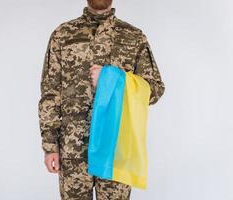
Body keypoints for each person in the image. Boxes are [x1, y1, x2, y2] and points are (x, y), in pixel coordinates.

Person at [38, 0, 165, 199]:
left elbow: (154, 89)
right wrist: (50, 146)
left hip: (116, 148)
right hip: (73, 150)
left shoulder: (133, 37)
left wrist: (111, 80)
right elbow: (50, 93)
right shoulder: (63, 35)